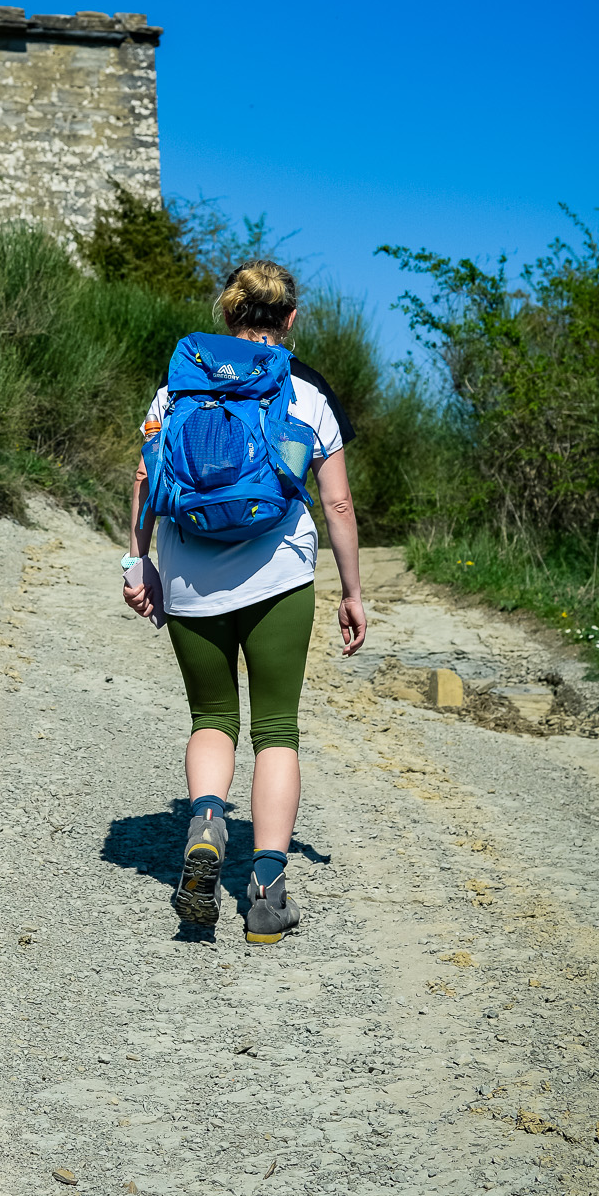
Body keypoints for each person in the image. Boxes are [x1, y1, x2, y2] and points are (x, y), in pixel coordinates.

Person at [122, 260, 366, 941]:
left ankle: (204, 821)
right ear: (290, 319)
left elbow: (145, 477)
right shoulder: (305, 391)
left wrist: (138, 561)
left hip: (190, 576)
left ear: (226, 314)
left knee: (211, 716)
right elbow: (337, 502)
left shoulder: (178, 386)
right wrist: (351, 592)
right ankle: (265, 891)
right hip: (279, 577)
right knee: (276, 731)